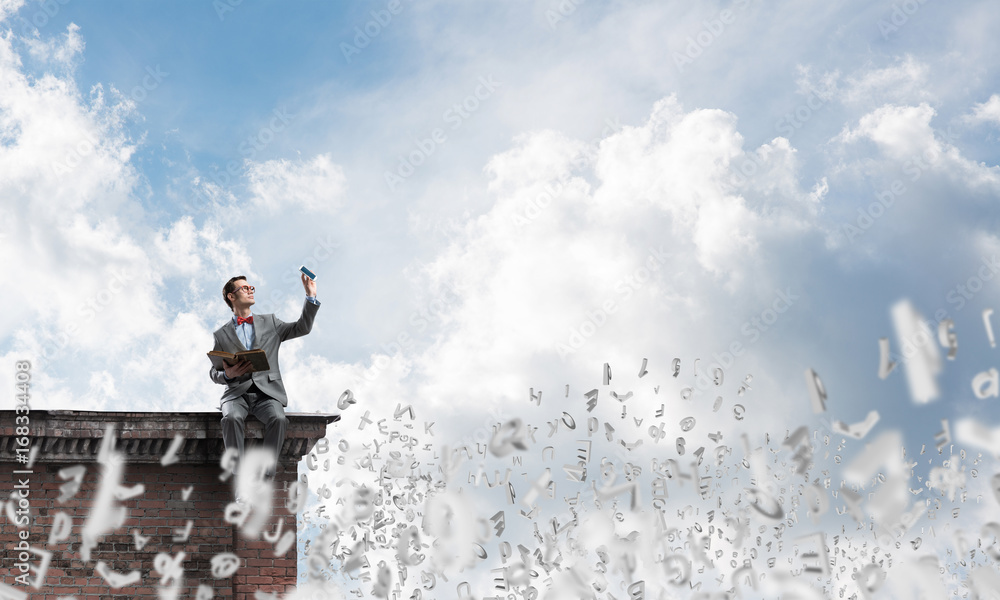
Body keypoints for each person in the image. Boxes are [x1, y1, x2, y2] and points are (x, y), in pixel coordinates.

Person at [210, 273, 319, 479]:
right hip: (235, 394)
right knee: (231, 418)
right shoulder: (221, 334)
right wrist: (229, 374)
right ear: (231, 297)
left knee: (278, 419)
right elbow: (214, 372)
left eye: (251, 287)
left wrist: (310, 297)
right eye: (244, 288)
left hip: (267, 393)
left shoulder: (270, 322)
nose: (250, 290)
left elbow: (302, 327)